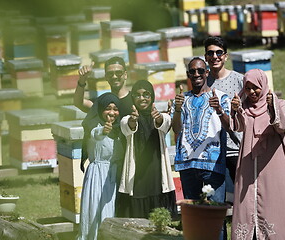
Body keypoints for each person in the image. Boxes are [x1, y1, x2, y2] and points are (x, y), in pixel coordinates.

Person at [230, 69, 285, 240]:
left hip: (273, 165)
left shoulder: (279, 104)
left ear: (264, 85)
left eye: (256, 87)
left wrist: (272, 107)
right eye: (248, 88)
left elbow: (281, 125)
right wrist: (236, 110)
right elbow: (238, 127)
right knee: (247, 205)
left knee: (274, 203)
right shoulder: (244, 107)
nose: (252, 92)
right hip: (248, 165)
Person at [171, 57, 230, 240]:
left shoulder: (220, 97)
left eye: (199, 71)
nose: (196, 74)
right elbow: (176, 130)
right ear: (188, 74)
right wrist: (178, 109)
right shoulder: (181, 100)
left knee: (215, 217)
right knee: (194, 218)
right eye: (192, 71)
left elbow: (230, 126)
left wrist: (219, 110)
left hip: (213, 166)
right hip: (187, 166)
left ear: (206, 73)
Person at [117, 80, 177, 218]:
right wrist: (133, 120)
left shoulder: (161, 116)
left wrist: (159, 118)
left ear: (152, 97)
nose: (142, 98)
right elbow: (127, 127)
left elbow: (165, 123)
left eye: (146, 94)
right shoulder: (127, 118)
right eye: (137, 95)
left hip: (156, 174)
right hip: (137, 176)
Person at [77, 93, 123, 240]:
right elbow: (95, 135)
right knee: (97, 214)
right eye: (107, 108)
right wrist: (103, 131)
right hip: (98, 177)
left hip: (115, 176)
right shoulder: (94, 126)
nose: (111, 113)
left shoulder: (120, 129)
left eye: (115, 109)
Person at [204, 36, 244, 184]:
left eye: (219, 52)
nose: (215, 56)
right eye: (210, 53)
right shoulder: (203, 82)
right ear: (205, 57)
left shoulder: (240, 80)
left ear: (225, 56)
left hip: (236, 147)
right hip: (212, 150)